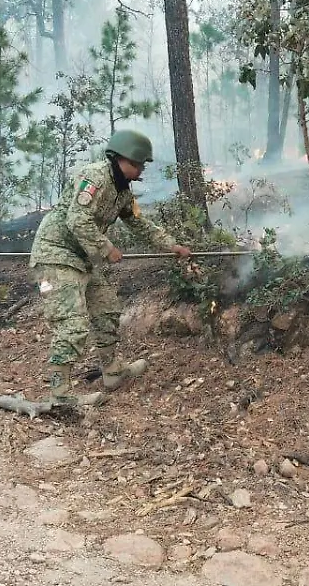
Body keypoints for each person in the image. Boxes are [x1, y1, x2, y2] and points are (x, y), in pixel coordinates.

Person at [29, 130, 191, 407]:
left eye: (142, 165)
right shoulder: (94, 178)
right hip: (54, 257)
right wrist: (107, 248)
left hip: (82, 261)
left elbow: (139, 224)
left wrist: (171, 245)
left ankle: (113, 372)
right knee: (72, 325)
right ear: (119, 159)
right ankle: (59, 396)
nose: (140, 170)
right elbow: (76, 219)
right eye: (137, 163)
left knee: (106, 311)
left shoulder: (123, 193)